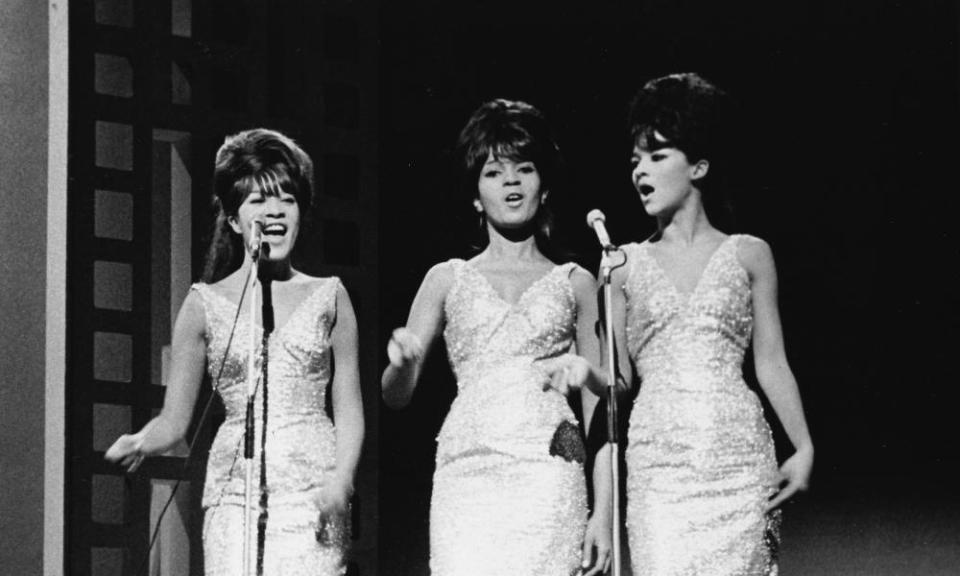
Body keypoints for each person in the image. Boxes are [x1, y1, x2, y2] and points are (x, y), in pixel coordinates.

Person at [105, 128, 364, 575]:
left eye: (287, 198)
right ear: (232, 218)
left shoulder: (330, 297)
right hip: (234, 492)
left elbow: (349, 408)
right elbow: (174, 420)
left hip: (313, 488)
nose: (274, 210)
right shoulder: (204, 304)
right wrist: (140, 440)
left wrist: (342, 479)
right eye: (258, 200)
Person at [382, 99, 613, 576]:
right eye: (493, 172)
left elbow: (602, 409)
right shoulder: (446, 279)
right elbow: (395, 397)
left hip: (550, 472)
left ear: (544, 186)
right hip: (467, 472)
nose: (510, 181)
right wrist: (402, 363)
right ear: (474, 194)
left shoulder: (577, 282)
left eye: (524, 169)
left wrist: (604, 514)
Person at [607, 73, 814, 575]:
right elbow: (618, 379)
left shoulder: (749, 254)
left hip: (739, 464)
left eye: (657, 156)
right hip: (660, 471)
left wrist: (804, 446)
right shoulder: (621, 265)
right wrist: (583, 373)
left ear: (698, 165)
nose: (641, 171)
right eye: (635, 160)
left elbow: (771, 362)